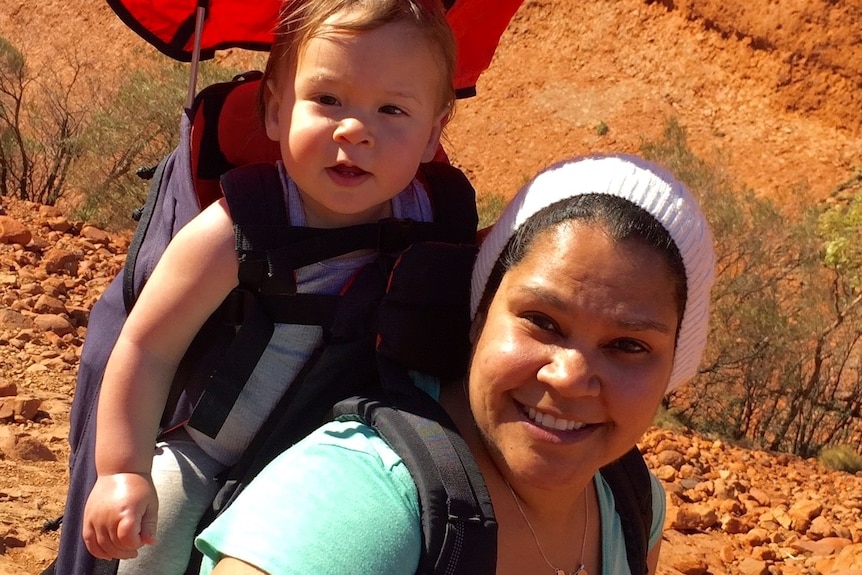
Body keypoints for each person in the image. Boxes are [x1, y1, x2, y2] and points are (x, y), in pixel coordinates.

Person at [193, 153, 717, 575]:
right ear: (479, 317)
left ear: (674, 365)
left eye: (629, 346)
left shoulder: (630, 502)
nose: (569, 377)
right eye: (542, 321)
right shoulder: (356, 502)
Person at [81, 1, 457, 573]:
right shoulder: (237, 227)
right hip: (212, 456)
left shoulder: (436, 217)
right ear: (276, 109)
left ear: (433, 134)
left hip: (348, 464)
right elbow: (145, 346)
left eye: (392, 109)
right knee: (151, 547)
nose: (355, 129)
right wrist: (122, 471)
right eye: (328, 100)